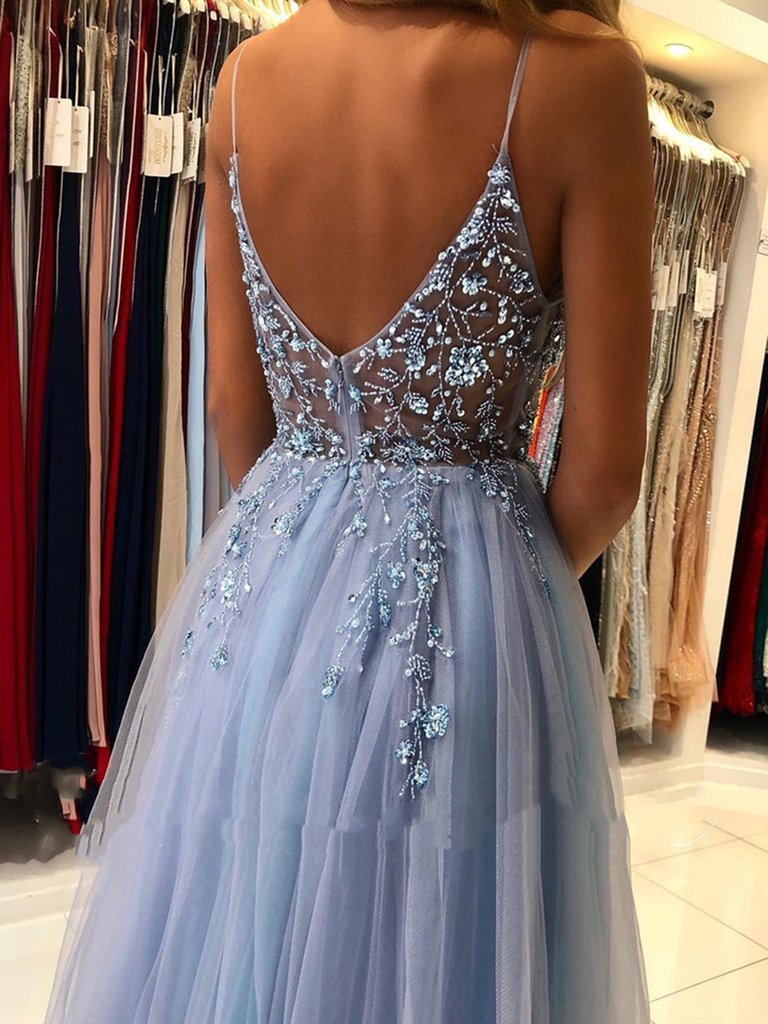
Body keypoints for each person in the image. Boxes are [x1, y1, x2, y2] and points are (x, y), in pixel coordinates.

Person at [45, 0, 654, 1021]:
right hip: (471, 619)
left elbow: (236, 412)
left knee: (256, 921)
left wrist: (314, 565)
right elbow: (602, 475)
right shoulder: (581, 77)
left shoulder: (245, 81)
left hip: (268, 599)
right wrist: (500, 591)